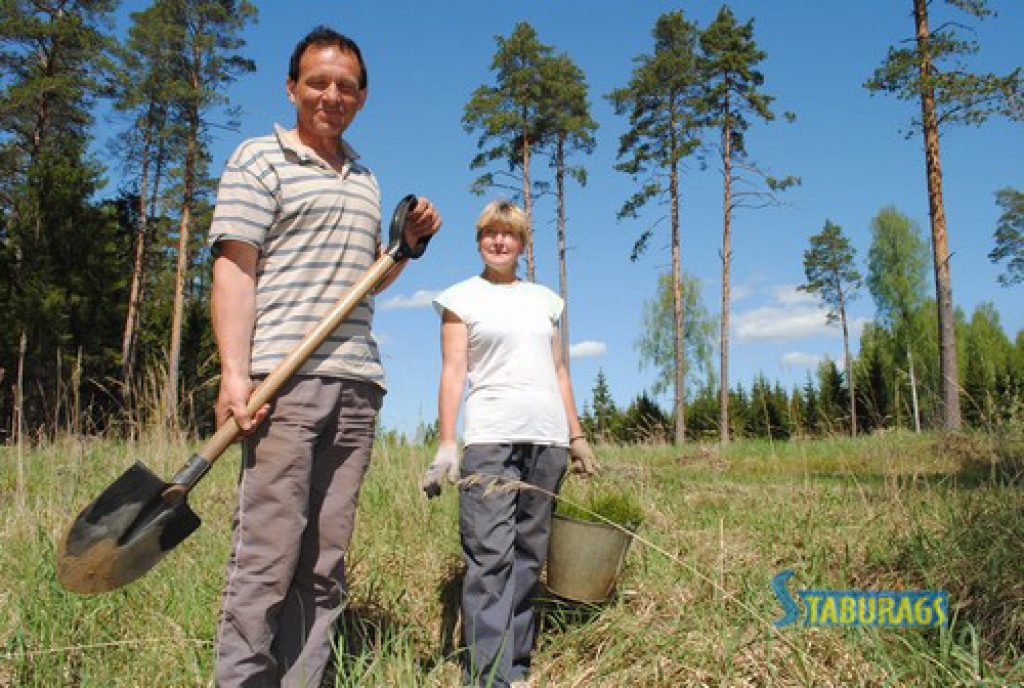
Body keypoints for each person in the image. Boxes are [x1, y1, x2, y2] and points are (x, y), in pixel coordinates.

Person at [208, 26, 441, 688]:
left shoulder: (366, 180)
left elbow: (362, 284)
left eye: (346, 85)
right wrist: (234, 373)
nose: (331, 95)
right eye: (318, 82)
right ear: (292, 88)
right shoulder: (259, 160)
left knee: (323, 562)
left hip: (357, 384)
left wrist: (406, 246)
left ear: (362, 97)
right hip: (281, 383)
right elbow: (235, 269)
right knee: (267, 556)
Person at [421, 199, 597, 688]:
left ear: (521, 243)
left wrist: (576, 436)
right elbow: (453, 371)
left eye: (509, 234)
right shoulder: (461, 298)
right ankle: (487, 677)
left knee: (528, 556)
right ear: (479, 239)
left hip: (547, 438)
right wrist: (446, 443)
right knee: (489, 555)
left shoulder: (547, 301)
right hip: (491, 438)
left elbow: (560, 370)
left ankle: (516, 669)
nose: (499, 241)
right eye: (490, 233)